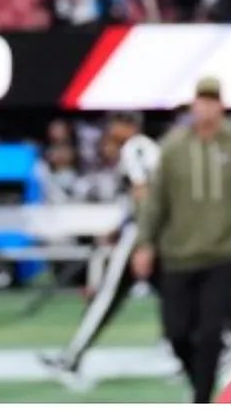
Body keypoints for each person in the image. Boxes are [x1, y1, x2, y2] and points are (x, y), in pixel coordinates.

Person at [134, 78, 231, 403]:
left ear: (221, 105)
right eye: (200, 101)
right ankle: (199, 385)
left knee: (210, 334)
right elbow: (156, 201)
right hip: (177, 253)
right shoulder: (173, 147)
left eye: (211, 101)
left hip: (224, 254)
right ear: (193, 105)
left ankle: (201, 399)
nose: (205, 108)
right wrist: (145, 243)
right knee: (176, 332)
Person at [40, 111, 161, 388]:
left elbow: (143, 194)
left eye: (116, 125)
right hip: (152, 231)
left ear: (128, 126)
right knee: (176, 293)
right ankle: (223, 343)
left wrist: (141, 236)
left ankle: (71, 358)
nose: (111, 130)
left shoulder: (136, 148)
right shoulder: (148, 148)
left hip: (142, 234)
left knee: (106, 296)